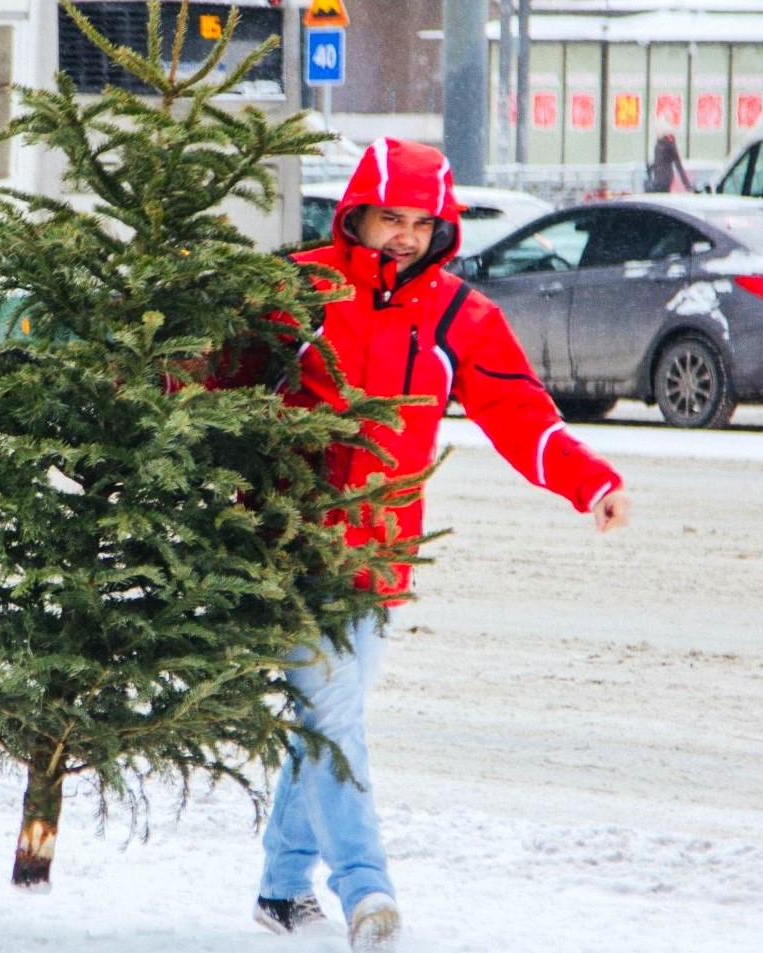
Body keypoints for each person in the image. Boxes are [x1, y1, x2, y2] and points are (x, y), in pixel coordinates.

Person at [249, 138, 632, 952]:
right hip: (288, 543)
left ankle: (281, 887)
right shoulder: (298, 290)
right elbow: (217, 380)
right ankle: (367, 891)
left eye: (421, 224)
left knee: (328, 718)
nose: (405, 236)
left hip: (380, 551)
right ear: (356, 214)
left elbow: (518, 411)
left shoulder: (458, 314)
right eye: (391, 218)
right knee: (331, 715)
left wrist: (588, 480)